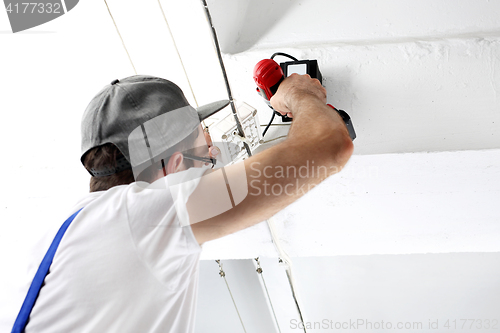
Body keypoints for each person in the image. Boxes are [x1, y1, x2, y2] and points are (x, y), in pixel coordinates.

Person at [16, 74, 353, 332]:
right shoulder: (146, 214)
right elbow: (328, 147)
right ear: (174, 167)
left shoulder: (58, 232)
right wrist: (301, 95)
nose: (214, 158)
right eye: (205, 157)